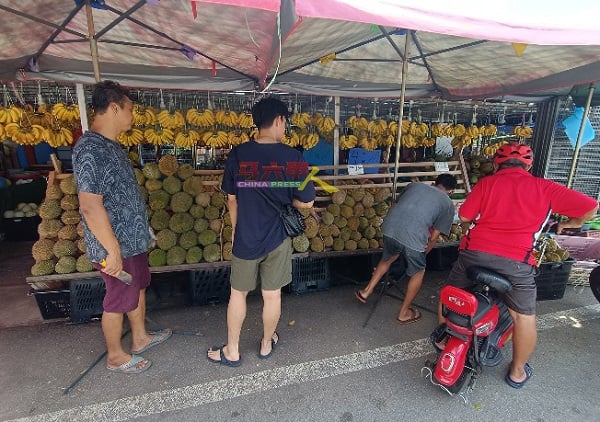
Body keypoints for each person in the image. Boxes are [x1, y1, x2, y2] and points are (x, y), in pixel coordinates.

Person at [439, 142, 598, 389]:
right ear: (529, 165)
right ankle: (517, 372)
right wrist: (572, 223)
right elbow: (591, 207)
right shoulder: (544, 187)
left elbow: (465, 217)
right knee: (523, 317)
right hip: (516, 263)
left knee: (451, 294)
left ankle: (444, 338)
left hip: (474, 254)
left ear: (495, 164)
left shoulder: (486, 183)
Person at [207, 97, 315, 367]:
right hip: (277, 238)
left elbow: (231, 198)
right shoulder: (294, 157)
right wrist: (286, 198)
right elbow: (307, 202)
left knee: (238, 294)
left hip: (246, 235)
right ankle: (266, 344)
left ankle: (232, 351)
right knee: (272, 295)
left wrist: (235, 229)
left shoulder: (238, 154)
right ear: (279, 120)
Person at [72, 80, 171, 374]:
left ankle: (140, 338)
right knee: (117, 298)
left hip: (132, 239)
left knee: (137, 286)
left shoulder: (111, 147)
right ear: (115, 107)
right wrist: (111, 249)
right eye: (130, 108)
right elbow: (90, 205)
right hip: (114, 243)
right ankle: (115, 355)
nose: (133, 115)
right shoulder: (89, 148)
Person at [354, 174, 458, 324]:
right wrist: (424, 253)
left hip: (389, 227)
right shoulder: (447, 204)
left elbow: (399, 206)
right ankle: (404, 313)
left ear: (434, 183)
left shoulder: (414, 185)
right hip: (413, 236)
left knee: (387, 258)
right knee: (418, 272)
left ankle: (366, 291)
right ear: (451, 191)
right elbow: (434, 236)